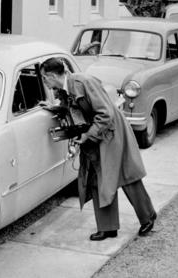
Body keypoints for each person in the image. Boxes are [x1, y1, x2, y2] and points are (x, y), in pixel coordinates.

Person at [40, 57, 156, 241]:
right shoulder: (64, 88)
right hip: (96, 132)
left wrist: (86, 137)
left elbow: (106, 114)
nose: (45, 83)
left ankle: (148, 217)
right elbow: (73, 108)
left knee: (126, 175)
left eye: (44, 78)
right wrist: (56, 109)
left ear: (52, 75)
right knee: (96, 177)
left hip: (112, 131)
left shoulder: (83, 82)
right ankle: (108, 227)